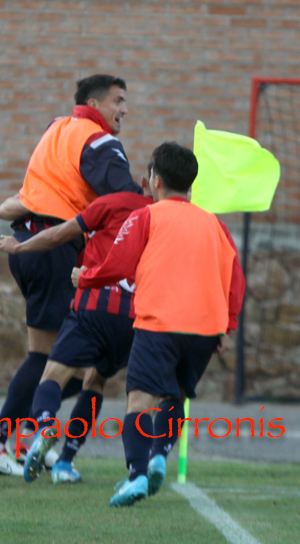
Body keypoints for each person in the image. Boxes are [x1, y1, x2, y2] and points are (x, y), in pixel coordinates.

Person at [0, 74, 141, 476]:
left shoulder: (57, 127)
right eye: (118, 100)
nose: (125, 109)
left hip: (30, 243)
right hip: (53, 248)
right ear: (96, 104)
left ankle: (24, 434)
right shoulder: (100, 141)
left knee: (62, 360)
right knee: (62, 362)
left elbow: (36, 194)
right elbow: (127, 202)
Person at [72, 142, 245, 508]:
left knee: (139, 399)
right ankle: (159, 456)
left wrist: (84, 278)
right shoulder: (215, 224)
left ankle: (137, 474)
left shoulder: (145, 216)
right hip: (204, 330)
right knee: (175, 397)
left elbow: (117, 264)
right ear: (190, 184)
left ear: (156, 180)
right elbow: (236, 278)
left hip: (159, 323)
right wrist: (227, 325)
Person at [0, 187, 152, 484]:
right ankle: (65, 460)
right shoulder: (162, 216)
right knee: (95, 381)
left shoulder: (106, 202)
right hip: (134, 315)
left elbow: (55, 234)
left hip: (93, 304)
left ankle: (29, 429)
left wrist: (20, 247)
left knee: (48, 369)